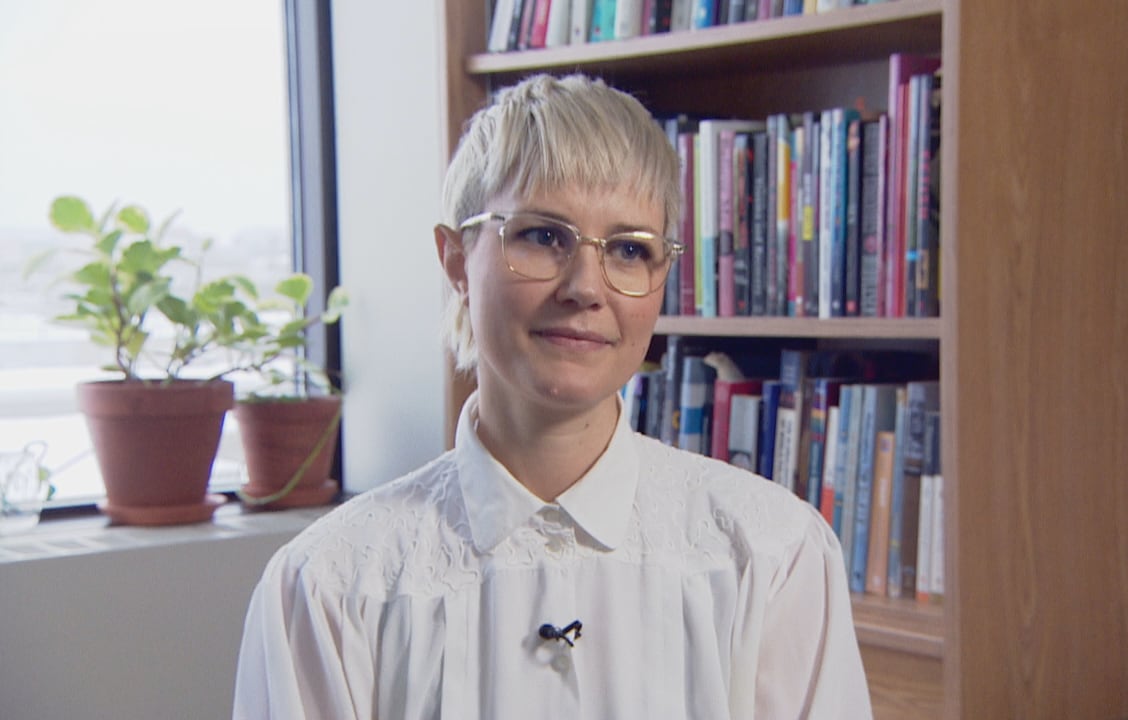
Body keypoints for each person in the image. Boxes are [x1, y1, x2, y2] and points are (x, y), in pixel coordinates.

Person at [233, 73, 873, 719]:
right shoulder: (332, 583)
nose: (586, 288)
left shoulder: (770, 551)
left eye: (628, 249)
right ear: (455, 259)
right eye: (543, 236)